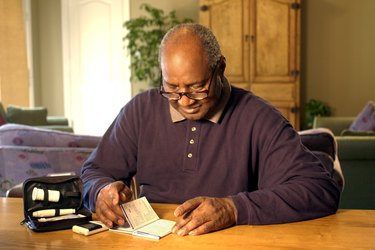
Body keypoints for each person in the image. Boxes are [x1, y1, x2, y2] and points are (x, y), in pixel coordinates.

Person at [81, 23, 341, 236]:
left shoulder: (258, 118)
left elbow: (320, 190)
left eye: (197, 88)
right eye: (172, 88)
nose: (184, 101)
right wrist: (101, 192)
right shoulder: (140, 110)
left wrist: (233, 208)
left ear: (221, 69)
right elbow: (94, 172)